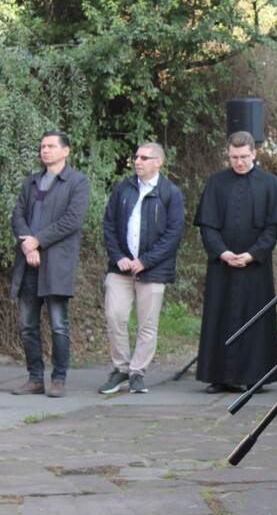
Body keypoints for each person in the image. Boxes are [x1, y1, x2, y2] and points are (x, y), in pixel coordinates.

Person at [194, 131, 277, 394]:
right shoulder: (216, 183)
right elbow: (207, 226)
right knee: (219, 316)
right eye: (234, 157)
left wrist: (253, 254)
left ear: (254, 154)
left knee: (256, 320)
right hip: (222, 266)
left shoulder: (269, 183)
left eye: (244, 157)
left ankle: (254, 377)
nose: (239, 162)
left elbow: (273, 228)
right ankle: (220, 377)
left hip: (255, 267)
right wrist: (222, 252)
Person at [98, 142, 185, 394]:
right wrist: (118, 256)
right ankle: (121, 369)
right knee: (115, 316)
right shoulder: (122, 189)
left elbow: (173, 234)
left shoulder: (170, 193)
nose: (138, 161)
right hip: (121, 268)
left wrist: (146, 261)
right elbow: (109, 224)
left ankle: (138, 373)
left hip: (153, 270)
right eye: (136, 157)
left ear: (158, 162)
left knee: (148, 324)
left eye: (144, 158)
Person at [9, 131, 90, 398]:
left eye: (51, 146)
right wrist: (28, 244)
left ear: (65, 151)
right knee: (28, 326)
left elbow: (72, 220)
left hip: (57, 263)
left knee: (58, 325)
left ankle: (58, 379)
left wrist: (38, 241)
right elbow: (18, 215)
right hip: (28, 262)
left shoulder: (77, 182)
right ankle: (35, 379)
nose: (45, 150)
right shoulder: (32, 181)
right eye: (43, 146)